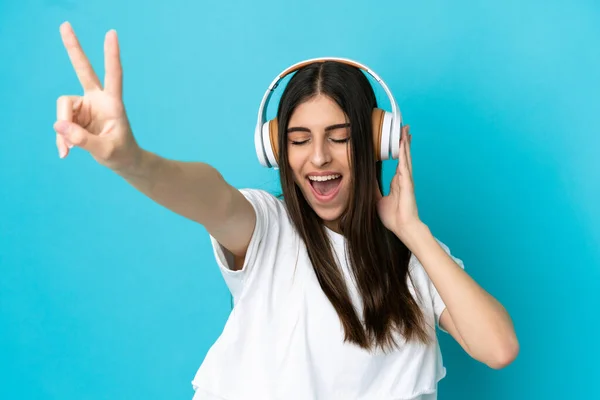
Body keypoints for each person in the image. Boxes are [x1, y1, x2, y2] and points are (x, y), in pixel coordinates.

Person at [53, 22, 519, 400]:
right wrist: (129, 159)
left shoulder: (414, 257)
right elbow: (207, 194)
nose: (318, 157)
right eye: (299, 140)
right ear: (276, 148)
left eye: (339, 137)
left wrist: (412, 231)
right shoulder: (267, 228)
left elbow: (497, 347)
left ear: (377, 142)